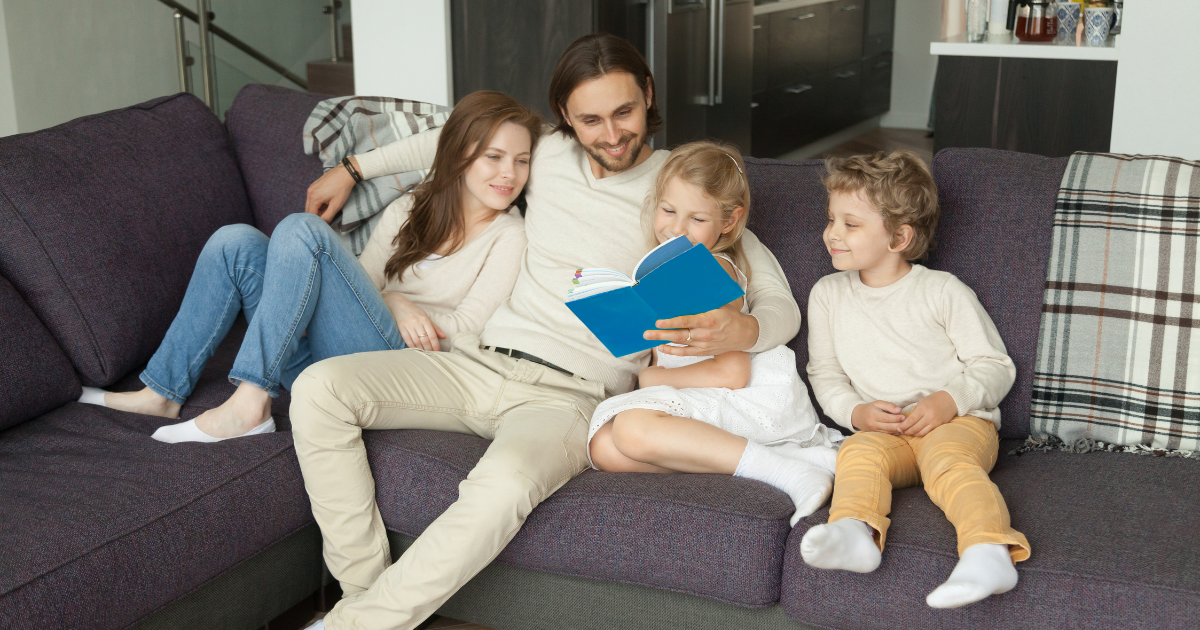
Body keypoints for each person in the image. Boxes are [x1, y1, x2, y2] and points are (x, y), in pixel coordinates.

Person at [295, 34, 802, 630]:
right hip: (476, 361)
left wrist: (741, 329)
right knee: (317, 389)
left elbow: (781, 304)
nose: (612, 135)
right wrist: (352, 168)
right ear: (565, 117)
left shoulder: (683, 186)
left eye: (625, 112)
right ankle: (362, 596)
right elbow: (455, 140)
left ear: (649, 96)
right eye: (591, 119)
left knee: (503, 484)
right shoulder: (545, 153)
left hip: (570, 396)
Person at [78, 91, 538, 444]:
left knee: (304, 231)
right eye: (493, 157)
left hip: (402, 368)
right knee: (233, 242)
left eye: (521, 161)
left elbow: (464, 333)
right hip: (332, 354)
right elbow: (366, 282)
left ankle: (250, 405)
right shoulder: (412, 207)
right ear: (458, 155)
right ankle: (162, 393)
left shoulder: (511, 235)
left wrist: (394, 307)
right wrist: (396, 301)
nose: (509, 175)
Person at [798, 150, 1029, 609]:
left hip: (958, 423)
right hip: (889, 433)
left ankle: (988, 550)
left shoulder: (942, 290)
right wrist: (856, 412)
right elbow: (825, 374)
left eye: (851, 224)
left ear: (899, 237)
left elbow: (995, 364)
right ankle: (854, 532)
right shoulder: (827, 294)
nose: (832, 234)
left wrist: (948, 401)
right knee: (857, 453)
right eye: (831, 220)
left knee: (948, 462)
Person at [587, 141, 842, 526]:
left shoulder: (711, 271)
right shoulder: (671, 272)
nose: (675, 229)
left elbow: (733, 373)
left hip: (740, 393)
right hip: (697, 396)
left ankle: (788, 473)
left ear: (728, 221)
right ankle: (781, 459)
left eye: (697, 219)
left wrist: (651, 377)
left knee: (632, 428)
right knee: (606, 450)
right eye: (669, 210)